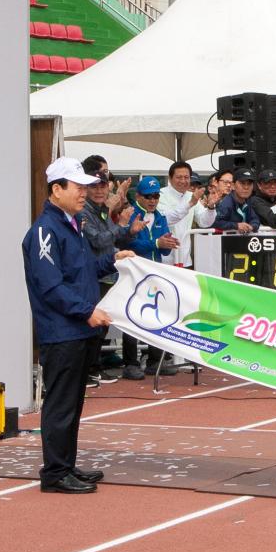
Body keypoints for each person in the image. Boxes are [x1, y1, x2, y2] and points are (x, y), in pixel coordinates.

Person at [22, 157, 135, 493]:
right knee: (60, 403)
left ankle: (65, 465)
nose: (85, 192)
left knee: (73, 403)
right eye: (78, 186)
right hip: (63, 331)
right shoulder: (45, 230)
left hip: (80, 329)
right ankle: (55, 472)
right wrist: (87, 311)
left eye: (86, 186)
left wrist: (112, 259)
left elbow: (83, 270)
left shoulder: (73, 225)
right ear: (57, 190)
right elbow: (50, 284)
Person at [121, 176, 179, 379]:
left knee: (157, 314)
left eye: (156, 196)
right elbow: (129, 243)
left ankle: (155, 361)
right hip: (134, 273)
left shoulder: (161, 217)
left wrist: (167, 243)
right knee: (131, 316)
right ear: (138, 196)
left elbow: (163, 251)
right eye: (148, 196)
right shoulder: (131, 215)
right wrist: (157, 243)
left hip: (155, 274)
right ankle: (130, 362)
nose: (152, 200)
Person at [78, 164, 129, 386]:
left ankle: (94, 367)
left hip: (106, 273)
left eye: (103, 186)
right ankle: (88, 369)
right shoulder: (84, 211)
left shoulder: (100, 210)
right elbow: (99, 240)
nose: (99, 191)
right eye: (94, 186)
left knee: (102, 325)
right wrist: (121, 226)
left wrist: (128, 229)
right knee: (93, 325)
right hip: (93, 275)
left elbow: (110, 240)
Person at [159, 161, 219, 266]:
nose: (183, 180)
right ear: (170, 178)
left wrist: (210, 207)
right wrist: (190, 203)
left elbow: (204, 222)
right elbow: (167, 219)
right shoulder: (160, 195)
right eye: (179, 177)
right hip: (163, 259)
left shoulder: (191, 195)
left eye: (186, 177)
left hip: (185, 259)